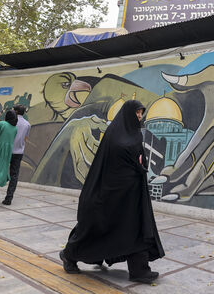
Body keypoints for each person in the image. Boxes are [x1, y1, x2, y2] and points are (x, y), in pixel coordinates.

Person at [59, 99, 164, 283]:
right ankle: (69, 254)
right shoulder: (115, 136)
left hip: (132, 195)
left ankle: (139, 270)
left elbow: (139, 161)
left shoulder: (135, 135)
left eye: (141, 113)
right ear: (127, 113)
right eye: (137, 113)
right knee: (98, 230)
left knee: (136, 228)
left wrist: (139, 168)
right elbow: (114, 166)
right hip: (111, 196)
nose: (140, 116)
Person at [2, 104, 30, 205]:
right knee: (14, 175)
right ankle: (9, 198)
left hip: (7, 150)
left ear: (16, 112)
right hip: (18, 153)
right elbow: (25, 139)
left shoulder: (9, 122)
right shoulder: (27, 124)